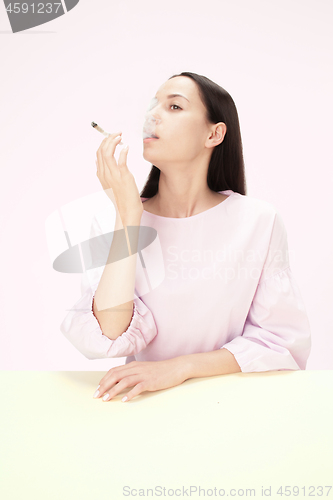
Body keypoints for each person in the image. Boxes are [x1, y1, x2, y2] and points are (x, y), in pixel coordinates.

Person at [60, 71, 312, 403]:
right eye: (154, 106)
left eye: (174, 107)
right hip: (138, 406)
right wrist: (128, 218)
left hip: (226, 404)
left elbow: (279, 343)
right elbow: (109, 333)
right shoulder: (116, 217)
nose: (152, 115)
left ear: (214, 133)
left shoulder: (258, 221)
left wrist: (179, 368)